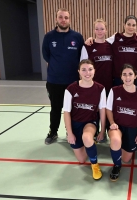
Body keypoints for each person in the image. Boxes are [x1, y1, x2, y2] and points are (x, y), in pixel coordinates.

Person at [85, 15, 137, 87]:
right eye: (128, 24)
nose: (131, 27)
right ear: (124, 25)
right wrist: (91, 39)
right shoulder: (115, 38)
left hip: (136, 79)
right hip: (119, 79)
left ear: (136, 27)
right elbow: (101, 41)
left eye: (133, 25)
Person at [42, 8, 84, 145]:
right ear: (56, 19)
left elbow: (81, 57)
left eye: (66, 17)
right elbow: (46, 55)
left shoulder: (77, 37)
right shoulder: (49, 37)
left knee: (73, 109)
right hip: (54, 81)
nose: (63, 20)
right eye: (60, 17)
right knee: (55, 108)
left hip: (73, 82)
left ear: (69, 19)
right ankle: (53, 132)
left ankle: (70, 132)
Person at [63, 59, 106, 180]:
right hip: (75, 124)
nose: (87, 73)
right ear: (79, 72)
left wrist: (102, 131)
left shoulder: (100, 89)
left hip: (90, 122)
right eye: (84, 70)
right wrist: (70, 133)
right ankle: (89, 143)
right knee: (82, 159)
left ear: (94, 71)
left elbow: (102, 111)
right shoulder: (71, 89)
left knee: (87, 137)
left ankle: (95, 165)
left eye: (90, 69)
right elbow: (66, 113)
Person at [106, 64, 137, 181]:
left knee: (126, 159)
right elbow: (108, 109)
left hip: (132, 128)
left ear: (135, 76)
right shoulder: (114, 90)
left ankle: (119, 148)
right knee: (115, 140)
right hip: (118, 127)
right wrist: (112, 122)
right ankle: (116, 165)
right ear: (121, 77)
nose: (127, 77)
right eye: (124, 74)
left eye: (130, 74)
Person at [80, 18, 113, 94]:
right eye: (97, 29)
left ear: (106, 30)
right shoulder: (87, 46)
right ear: (94, 31)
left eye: (102, 29)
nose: (99, 31)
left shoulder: (111, 46)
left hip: (109, 85)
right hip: (93, 85)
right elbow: (82, 67)